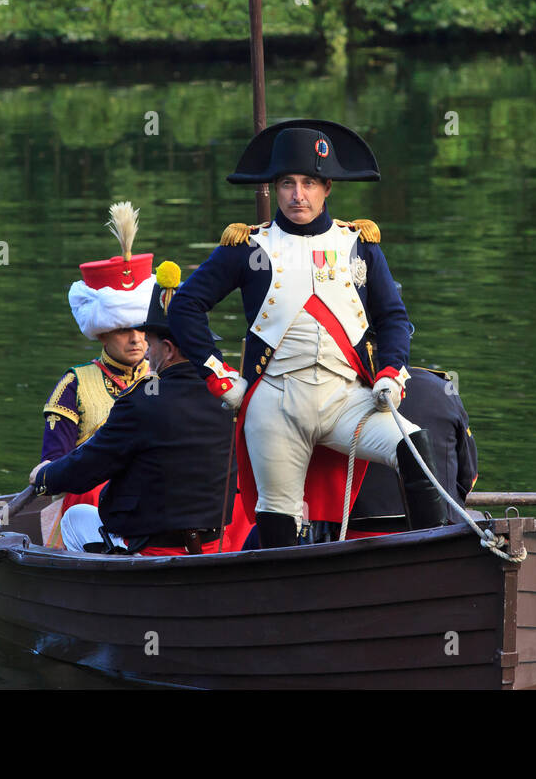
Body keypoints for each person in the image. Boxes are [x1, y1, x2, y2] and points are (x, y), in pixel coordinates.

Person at [166, 118, 449, 548]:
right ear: (274, 188)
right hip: (275, 401)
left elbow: (394, 318)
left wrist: (391, 372)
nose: (298, 195)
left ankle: (437, 559)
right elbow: (185, 306)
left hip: (346, 400)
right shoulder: (247, 247)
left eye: (310, 183)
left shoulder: (361, 244)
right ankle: (283, 599)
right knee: (278, 519)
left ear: (327, 188)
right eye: (287, 184)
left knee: (415, 448)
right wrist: (219, 376)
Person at [29, 260, 238, 556]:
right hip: (217, 547)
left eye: (149, 342)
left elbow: (82, 470)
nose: (142, 347)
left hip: (154, 550)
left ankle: (98, 594)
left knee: (75, 519)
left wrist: (44, 478)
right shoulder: (230, 398)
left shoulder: (140, 401)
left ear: (167, 349)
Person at [38, 203, 153, 549]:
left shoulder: (170, 375)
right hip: (93, 505)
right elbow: (54, 469)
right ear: (101, 332)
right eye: (122, 330)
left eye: (142, 328)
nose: (135, 338)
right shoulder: (74, 385)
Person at [345, 366, 479, 537]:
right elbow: (468, 476)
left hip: (357, 533)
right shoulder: (443, 388)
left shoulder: (347, 389)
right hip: (442, 533)